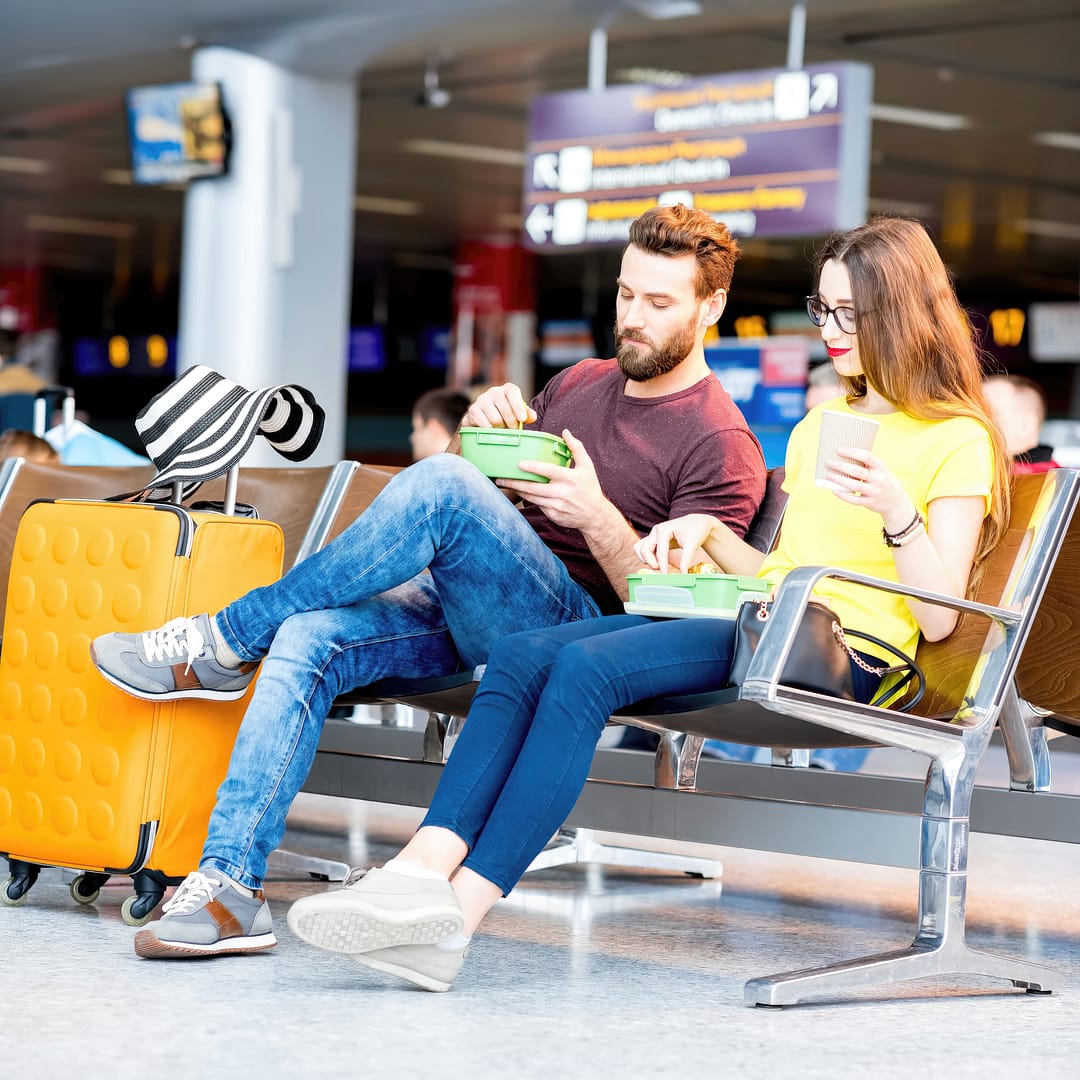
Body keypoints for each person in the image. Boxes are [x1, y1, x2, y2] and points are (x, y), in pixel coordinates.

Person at [283, 214, 1009, 993]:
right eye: (822, 309)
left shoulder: (956, 436)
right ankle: (420, 869)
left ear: (898, 312)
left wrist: (898, 512)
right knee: (531, 654)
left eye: (848, 315)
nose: (830, 330)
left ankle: (455, 916)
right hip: (766, 620)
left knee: (585, 673)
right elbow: (784, 568)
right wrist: (706, 535)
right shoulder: (823, 424)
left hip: (848, 657)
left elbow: (939, 617)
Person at [90, 203, 767, 958]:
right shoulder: (580, 380)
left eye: (658, 303)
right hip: (473, 601)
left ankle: (222, 639)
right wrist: (483, 435)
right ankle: (229, 889)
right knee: (310, 635)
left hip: (575, 631)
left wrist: (600, 517)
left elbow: (678, 613)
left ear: (711, 306)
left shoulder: (720, 440)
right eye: (624, 294)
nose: (632, 317)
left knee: (442, 482)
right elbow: (497, 502)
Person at [981, 373, 1060, 474]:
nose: (977, 421)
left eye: (989, 413)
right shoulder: (1058, 479)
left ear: (1026, 426)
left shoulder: (1041, 482)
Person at [410, 387, 471, 461]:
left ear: (433, 428)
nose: (412, 438)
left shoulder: (422, 471)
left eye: (417, 429)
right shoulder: (475, 468)